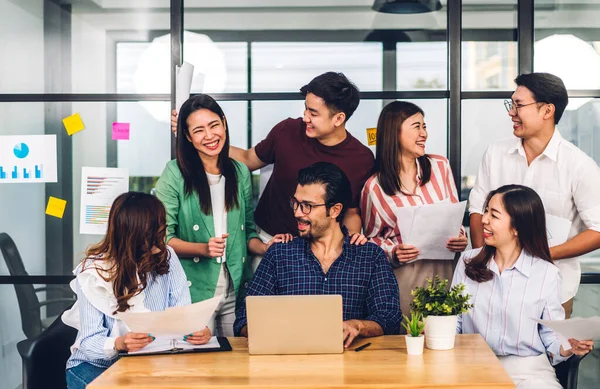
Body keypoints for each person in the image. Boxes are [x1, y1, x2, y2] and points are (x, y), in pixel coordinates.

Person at [171, 72, 373, 248]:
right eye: (305, 109)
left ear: (338, 118)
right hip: (270, 241)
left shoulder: (361, 159)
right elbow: (248, 159)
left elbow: (351, 211)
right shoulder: (288, 130)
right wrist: (201, 138)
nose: (305, 118)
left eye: (313, 113)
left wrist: (350, 241)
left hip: (321, 250)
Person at [156, 94, 291, 337]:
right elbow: (162, 239)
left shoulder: (239, 172)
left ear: (224, 123)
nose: (209, 136)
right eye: (198, 130)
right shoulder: (174, 173)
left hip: (235, 287)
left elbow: (247, 232)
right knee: (200, 366)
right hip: (193, 290)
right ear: (187, 136)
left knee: (237, 362)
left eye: (214, 125)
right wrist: (203, 249)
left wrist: (266, 247)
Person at [468, 72, 600, 318]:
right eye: (512, 104)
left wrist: (543, 254)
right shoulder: (495, 153)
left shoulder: (579, 165)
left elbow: (598, 229)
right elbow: (476, 209)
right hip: (494, 284)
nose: (511, 112)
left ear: (547, 111)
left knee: (551, 353)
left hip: (553, 290)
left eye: (519, 105)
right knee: (486, 353)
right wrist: (481, 258)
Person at [233, 162, 401, 347]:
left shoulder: (369, 256)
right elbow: (243, 318)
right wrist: (274, 330)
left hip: (351, 368)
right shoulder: (280, 254)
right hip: (289, 364)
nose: (297, 212)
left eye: (307, 206)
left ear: (335, 210)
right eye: (295, 203)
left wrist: (357, 326)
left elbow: (389, 318)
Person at [62, 192, 212, 389]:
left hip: (148, 364)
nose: (164, 236)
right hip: (95, 366)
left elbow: (181, 315)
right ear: (138, 233)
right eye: (158, 231)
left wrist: (197, 330)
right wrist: (120, 344)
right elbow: (88, 343)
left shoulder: (168, 257)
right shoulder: (93, 270)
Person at [453, 185, 593, 389]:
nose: (483, 220)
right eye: (485, 211)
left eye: (494, 215)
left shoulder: (546, 273)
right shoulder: (467, 262)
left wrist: (570, 346)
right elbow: (454, 321)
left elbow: (552, 339)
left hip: (529, 373)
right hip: (471, 367)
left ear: (517, 227)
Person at [361, 101, 468, 319]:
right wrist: (394, 252)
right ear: (394, 132)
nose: (424, 133)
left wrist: (461, 237)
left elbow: (454, 216)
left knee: (448, 342)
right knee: (409, 343)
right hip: (407, 277)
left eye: (424, 126)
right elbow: (371, 240)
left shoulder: (440, 166)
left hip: (448, 271)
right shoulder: (374, 187)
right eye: (416, 126)